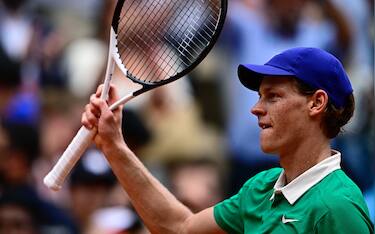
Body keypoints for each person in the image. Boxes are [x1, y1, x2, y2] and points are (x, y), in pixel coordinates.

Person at [82, 47, 374, 233]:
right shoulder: (260, 188)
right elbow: (178, 227)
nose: (256, 108)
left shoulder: (338, 207)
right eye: (260, 97)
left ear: (316, 103)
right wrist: (114, 146)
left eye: (273, 97)